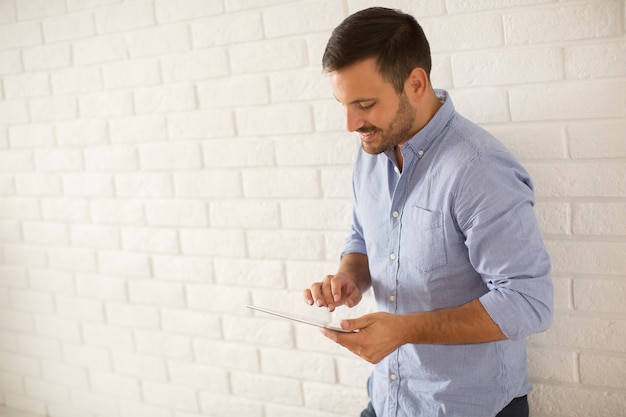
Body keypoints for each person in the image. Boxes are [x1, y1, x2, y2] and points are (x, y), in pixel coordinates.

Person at [303, 7, 554, 417]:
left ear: (416, 83)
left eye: (364, 104)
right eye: (343, 105)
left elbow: (529, 301)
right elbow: (362, 237)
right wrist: (349, 276)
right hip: (388, 401)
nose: (351, 123)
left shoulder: (480, 168)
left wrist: (405, 330)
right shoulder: (371, 150)